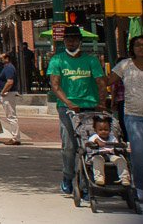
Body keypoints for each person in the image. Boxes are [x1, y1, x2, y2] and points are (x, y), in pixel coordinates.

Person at [49, 25, 108, 197]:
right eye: (68, 39)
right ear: (64, 40)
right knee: (69, 146)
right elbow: (55, 85)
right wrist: (68, 103)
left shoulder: (91, 60)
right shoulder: (57, 60)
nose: (71, 42)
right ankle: (68, 177)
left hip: (90, 107)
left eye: (75, 39)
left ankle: (86, 182)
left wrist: (102, 102)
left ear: (80, 41)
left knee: (89, 146)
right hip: (67, 110)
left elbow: (101, 82)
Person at [113, 34, 143, 205]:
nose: (142, 48)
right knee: (139, 153)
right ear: (132, 48)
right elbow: (106, 80)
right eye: (138, 45)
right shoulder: (125, 65)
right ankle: (141, 188)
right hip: (135, 116)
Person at [85, 114, 127, 187]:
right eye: (100, 130)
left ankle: (124, 177)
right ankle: (99, 178)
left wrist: (120, 145)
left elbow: (116, 145)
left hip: (111, 155)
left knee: (121, 160)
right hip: (98, 154)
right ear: (95, 130)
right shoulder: (95, 136)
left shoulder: (112, 137)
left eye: (106, 129)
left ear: (110, 130)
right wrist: (98, 141)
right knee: (97, 160)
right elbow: (92, 140)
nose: (103, 131)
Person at [0, 52, 22, 145]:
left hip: (8, 94)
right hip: (7, 94)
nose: (0, 57)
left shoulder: (9, 68)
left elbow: (10, 82)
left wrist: (3, 91)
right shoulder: (7, 67)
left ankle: (15, 138)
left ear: (7, 58)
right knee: (10, 115)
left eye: (2, 56)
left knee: (11, 116)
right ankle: (15, 137)